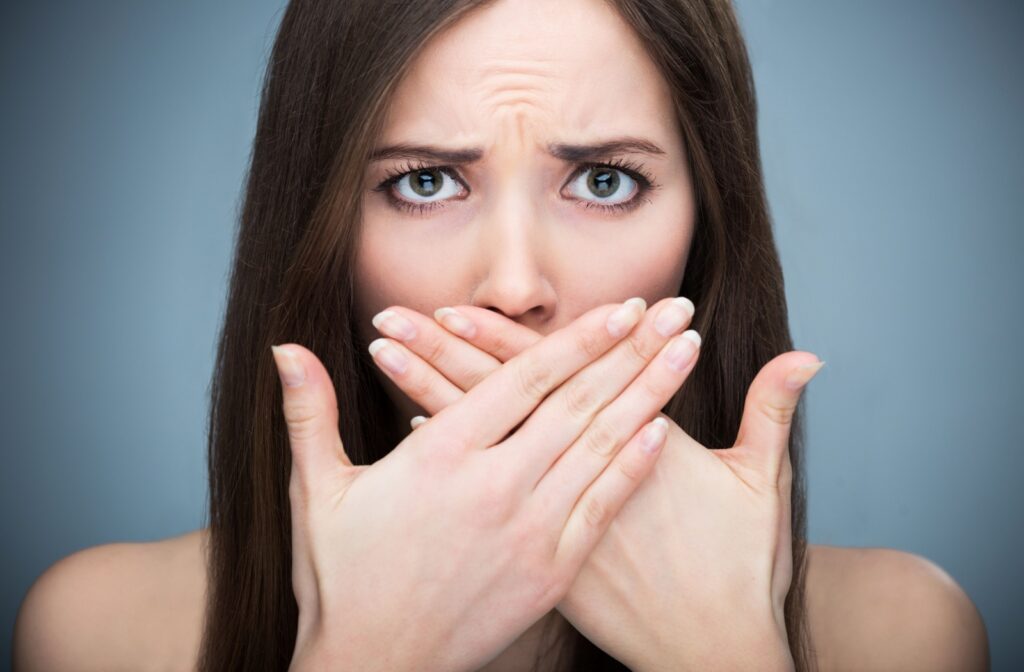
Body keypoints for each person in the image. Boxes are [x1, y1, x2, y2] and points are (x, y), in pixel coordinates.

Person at [13, 0, 990, 670]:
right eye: (425, 182)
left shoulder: (903, 634)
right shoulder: (103, 630)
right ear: (322, 233)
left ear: (706, 229)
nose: (516, 286)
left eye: (603, 180)